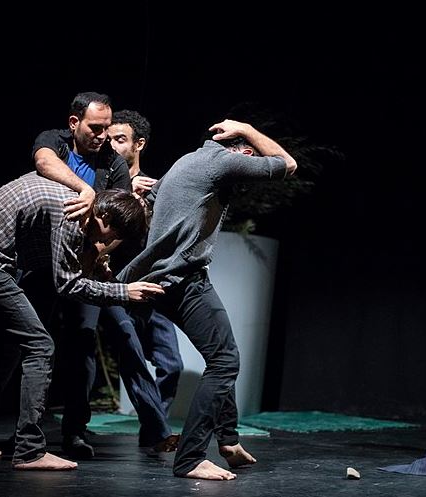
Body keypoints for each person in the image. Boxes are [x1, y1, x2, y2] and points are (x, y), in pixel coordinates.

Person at [117, 118, 298, 480]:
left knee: (218, 354)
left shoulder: (187, 160)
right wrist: (247, 128)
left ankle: (228, 440)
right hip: (182, 279)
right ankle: (191, 458)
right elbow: (287, 165)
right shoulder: (222, 161)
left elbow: (149, 203)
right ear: (244, 154)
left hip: (163, 279)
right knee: (225, 360)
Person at [0, 173, 164, 471]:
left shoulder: (81, 207)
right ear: (105, 217)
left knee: (10, 350)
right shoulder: (74, 216)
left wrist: (100, 267)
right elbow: (69, 286)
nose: (104, 243)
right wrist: (124, 292)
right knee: (40, 345)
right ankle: (29, 451)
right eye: (109, 237)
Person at [30, 94, 177, 457]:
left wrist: (93, 257)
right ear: (74, 123)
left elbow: (119, 225)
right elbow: (43, 161)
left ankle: (79, 432)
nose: (102, 136)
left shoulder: (112, 163)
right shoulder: (55, 142)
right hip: (40, 261)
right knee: (21, 344)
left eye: (108, 129)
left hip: (90, 266)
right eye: (96, 128)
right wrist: (86, 190)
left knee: (95, 341)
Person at [102, 110, 183, 449]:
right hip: (114, 286)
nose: (111, 145)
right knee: (131, 354)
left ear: (139, 144)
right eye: (108, 139)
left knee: (172, 364)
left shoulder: (155, 188)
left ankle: (151, 430)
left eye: (120, 139)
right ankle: (159, 432)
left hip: (151, 288)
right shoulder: (103, 184)